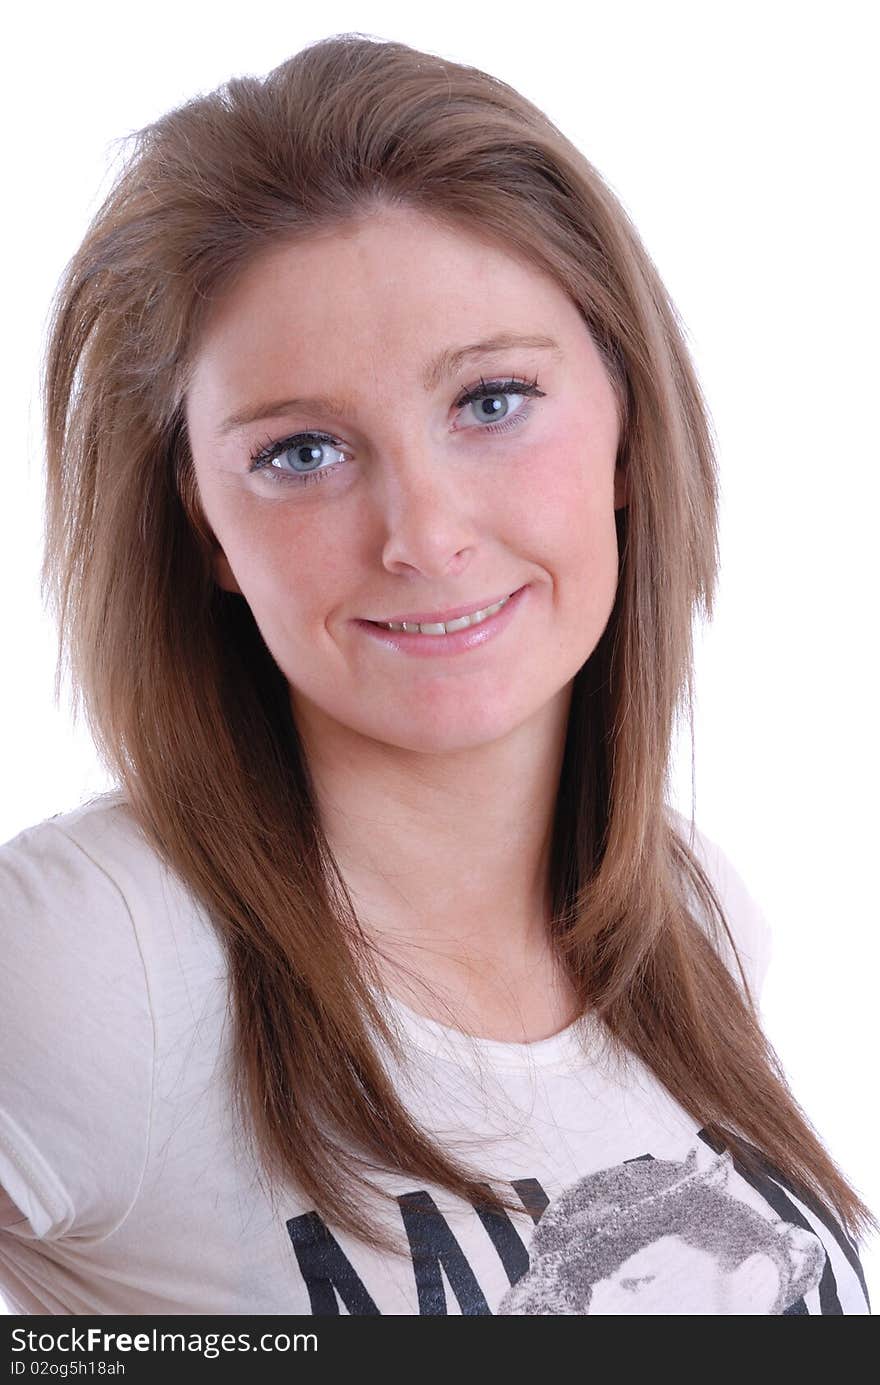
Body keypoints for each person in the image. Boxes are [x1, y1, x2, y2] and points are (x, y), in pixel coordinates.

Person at [0, 32, 873, 1316]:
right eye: (301, 451)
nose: (425, 534)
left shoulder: (689, 914)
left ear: (627, 421)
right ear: (203, 526)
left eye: (491, 400)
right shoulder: (101, 954)